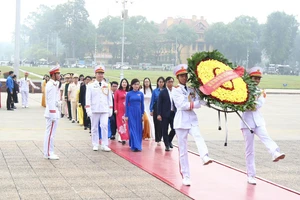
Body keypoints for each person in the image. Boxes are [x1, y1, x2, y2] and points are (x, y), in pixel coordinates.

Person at [242, 67, 285, 185]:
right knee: (249, 150)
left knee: (266, 137)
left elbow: (257, 105)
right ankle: (251, 176)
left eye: (259, 78)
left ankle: (275, 152)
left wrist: (248, 103)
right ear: (250, 78)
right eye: (255, 78)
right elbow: (242, 105)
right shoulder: (242, 90)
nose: (257, 80)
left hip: (258, 121)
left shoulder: (261, 92)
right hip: (247, 122)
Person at [172, 64, 213, 186]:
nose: (184, 78)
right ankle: (186, 176)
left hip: (192, 119)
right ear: (177, 77)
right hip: (181, 121)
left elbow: (200, 100)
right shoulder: (176, 89)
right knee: (183, 150)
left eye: (185, 75)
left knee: (198, 136)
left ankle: (204, 156)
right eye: (182, 76)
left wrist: (210, 101)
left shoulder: (192, 89)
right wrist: (196, 104)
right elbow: (182, 105)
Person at [85, 65, 113, 152]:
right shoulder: (91, 85)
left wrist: (110, 109)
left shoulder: (107, 85)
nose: (100, 75)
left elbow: (109, 98)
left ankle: (105, 144)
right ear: (95, 74)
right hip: (94, 109)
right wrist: (88, 109)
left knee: (104, 126)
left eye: (102, 73)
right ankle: (95, 144)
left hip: (104, 109)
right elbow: (88, 98)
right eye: (99, 73)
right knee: (94, 128)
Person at [43, 65, 61, 160]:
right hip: (51, 113)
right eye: (58, 73)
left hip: (53, 112)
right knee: (50, 134)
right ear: (53, 74)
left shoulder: (54, 84)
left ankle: (49, 152)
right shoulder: (51, 85)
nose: (59, 75)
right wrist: (53, 114)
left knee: (51, 134)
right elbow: (49, 101)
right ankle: (49, 153)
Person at [125, 78, 144, 152]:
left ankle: (138, 145)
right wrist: (126, 115)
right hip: (131, 112)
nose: (136, 86)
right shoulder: (129, 94)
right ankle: (134, 145)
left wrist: (142, 114)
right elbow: (126, 105)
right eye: (135, 84)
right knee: (132, 129)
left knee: (138, 129)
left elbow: (142, 105)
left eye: (138, 84)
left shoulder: (141, 94)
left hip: (138, 112)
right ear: (132, 85)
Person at [157, 76, 176, 151]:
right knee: (165, 129)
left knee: (174, 128)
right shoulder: (163, 92)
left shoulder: (175, 91)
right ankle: (167, 145)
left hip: (173, 113)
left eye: (172, 82)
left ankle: (169, 140)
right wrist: (159, 114)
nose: (170, 83)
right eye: (169, 82)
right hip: (164, 114)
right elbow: (159, 104)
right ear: (166, 83)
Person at [150, 77, 165, 145]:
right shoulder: (155, 91)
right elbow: (152, 101)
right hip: (156, 107)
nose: (161, 83)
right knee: (157, 123)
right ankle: (158, 139)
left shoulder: (166, 91)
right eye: (159, 82)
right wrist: (151, 109)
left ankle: (162, 136)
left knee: (163, 123)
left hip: (164, 107)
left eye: (162, 82)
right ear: (158, 83)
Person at [114, 78, 130, 144]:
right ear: (121, 83)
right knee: (120, 123)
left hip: (127, 109)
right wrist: (115, 109)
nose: (124, 83)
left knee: (127, 123)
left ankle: (127, 137)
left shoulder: (129, 92)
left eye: (125, 82)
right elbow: (115, 101)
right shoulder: (117, 91)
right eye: (123, 82)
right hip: (120, 109)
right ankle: (122, 137)